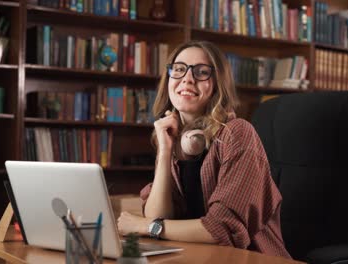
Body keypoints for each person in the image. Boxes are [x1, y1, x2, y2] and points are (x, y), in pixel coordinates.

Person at [117, 40, 290, 258]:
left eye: (201, 72)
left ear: (217, 84)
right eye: (179, 69)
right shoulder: (174, 137)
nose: (187, 79)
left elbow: (220, 229)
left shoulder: (237, 134)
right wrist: (165, 152)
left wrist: (146, 227)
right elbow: (158, 213)